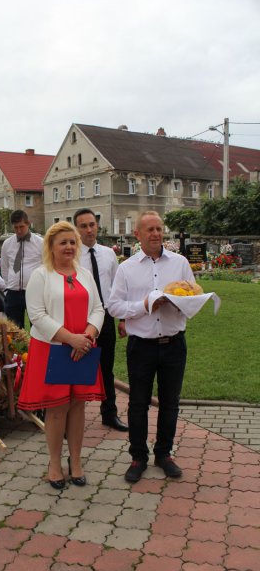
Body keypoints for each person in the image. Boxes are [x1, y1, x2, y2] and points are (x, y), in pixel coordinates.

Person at [108, 210, 196, 483]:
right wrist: (145, 305)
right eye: (150, 229)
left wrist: (181, 302)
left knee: (170, 403)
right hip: (141, 347)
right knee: (138, 403)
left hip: (174, 344)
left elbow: (193, 296)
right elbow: (114, 306)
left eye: (159, 228)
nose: (156, 234)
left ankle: (164, 454)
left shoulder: (180, 263)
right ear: (138, 234)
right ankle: (138, 457)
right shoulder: (127, 268)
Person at [18, 221, 105, 489]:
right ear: (51, 247)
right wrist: (71, 339)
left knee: (78, 407)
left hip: (83, 349)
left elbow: (98, 309)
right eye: (63, 242)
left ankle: (75, 461)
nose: (69, 247)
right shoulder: (40, 275)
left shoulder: (85, 274)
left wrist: (88, 336)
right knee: (56, 409)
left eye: (72, 242)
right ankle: (54, 464)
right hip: (53, 349)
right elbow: (37, 315)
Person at [74, 208, 128, 432]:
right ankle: (71, 419)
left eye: (92, 225)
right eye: (83, 226)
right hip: (79, 318)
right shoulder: (71, 255)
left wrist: (122, 319)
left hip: (105, 317)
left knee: (106, 367)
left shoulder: (108, 254)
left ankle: (109, 413)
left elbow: (117, 288)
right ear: (76, 229)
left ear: (97, 226)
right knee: (76, 368)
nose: (89, 230)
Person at [1, 210, 43, 328]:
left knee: (38, 327)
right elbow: (5, 267)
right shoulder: (7, 244)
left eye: (21, 227)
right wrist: (8, 285)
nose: (19, 230)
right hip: (13, 292)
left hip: (34, 292)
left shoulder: (40, 243)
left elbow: (46, 266)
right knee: (14, 328)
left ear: (28, 223)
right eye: (16, 227)